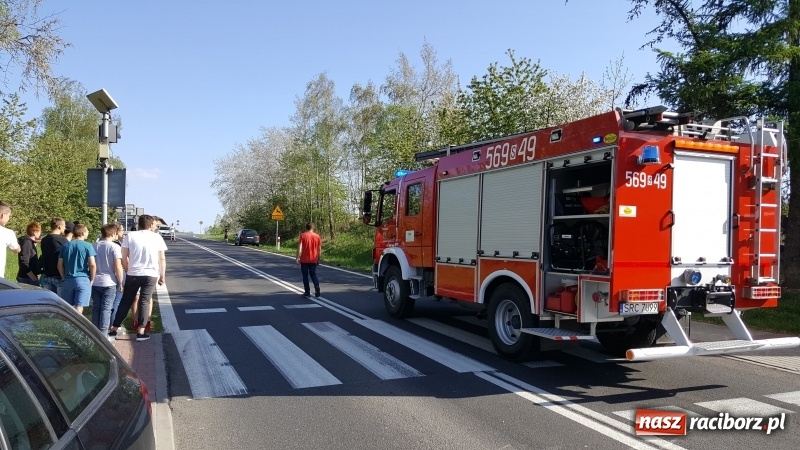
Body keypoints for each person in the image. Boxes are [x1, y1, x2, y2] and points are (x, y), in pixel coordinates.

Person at [109, 214, 167, 342]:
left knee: (126, 301)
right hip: (151, 274)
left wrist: (127, 269)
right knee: (145, 301)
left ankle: (113, 329)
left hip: (133, 273)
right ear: (151, 225)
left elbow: (124, 256)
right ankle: (141, 332)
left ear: (138, 224)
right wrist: (162, 275)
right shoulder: (157, 237)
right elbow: (161, 258)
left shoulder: (130, 236)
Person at [91, 223, 124, 335]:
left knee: (96, 307)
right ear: (113, 233)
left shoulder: (93, 245)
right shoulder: (115, 247)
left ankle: (94, 332)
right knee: (106, 308)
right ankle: (104, 334)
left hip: (95, 281)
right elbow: (118, 267)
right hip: (109, 282)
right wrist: (120, 282)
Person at [58, 223, 96, 313]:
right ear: (82, 233)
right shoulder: (88, 246)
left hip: (68, 279)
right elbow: (92, 264)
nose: (88, 233)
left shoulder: (66, 245)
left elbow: (59, 264)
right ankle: (78, 325)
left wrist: (63, 277)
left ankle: (67, 326)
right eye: (87, 231)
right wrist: (92, 278)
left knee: (68, 307)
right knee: (79, 306)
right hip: (83, 279)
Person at [40, 218, 68, 294]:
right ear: (59, 227)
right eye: (64, 226)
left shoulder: (44, 239)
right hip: (59, 275)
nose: (65, 228)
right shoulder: (63, 240)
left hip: (47, 275)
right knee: (61, 303)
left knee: (50, 302)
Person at [296, 222, 322, 297]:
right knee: (313, 274)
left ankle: (307, 292)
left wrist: (298, 257)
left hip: (304, 259)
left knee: (305, 276)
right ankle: (316, 286)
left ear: (306, 228)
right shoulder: (317, 236)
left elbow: (300, 247)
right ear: (313, 228)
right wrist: (318, 259)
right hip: (313, 259)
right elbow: (319, 249)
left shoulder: (303, 235)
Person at [0, 200, 21, 278]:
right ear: (2, 215)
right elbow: (16, 249)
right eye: (8, 216)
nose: (8, 219)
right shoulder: (7, 233)